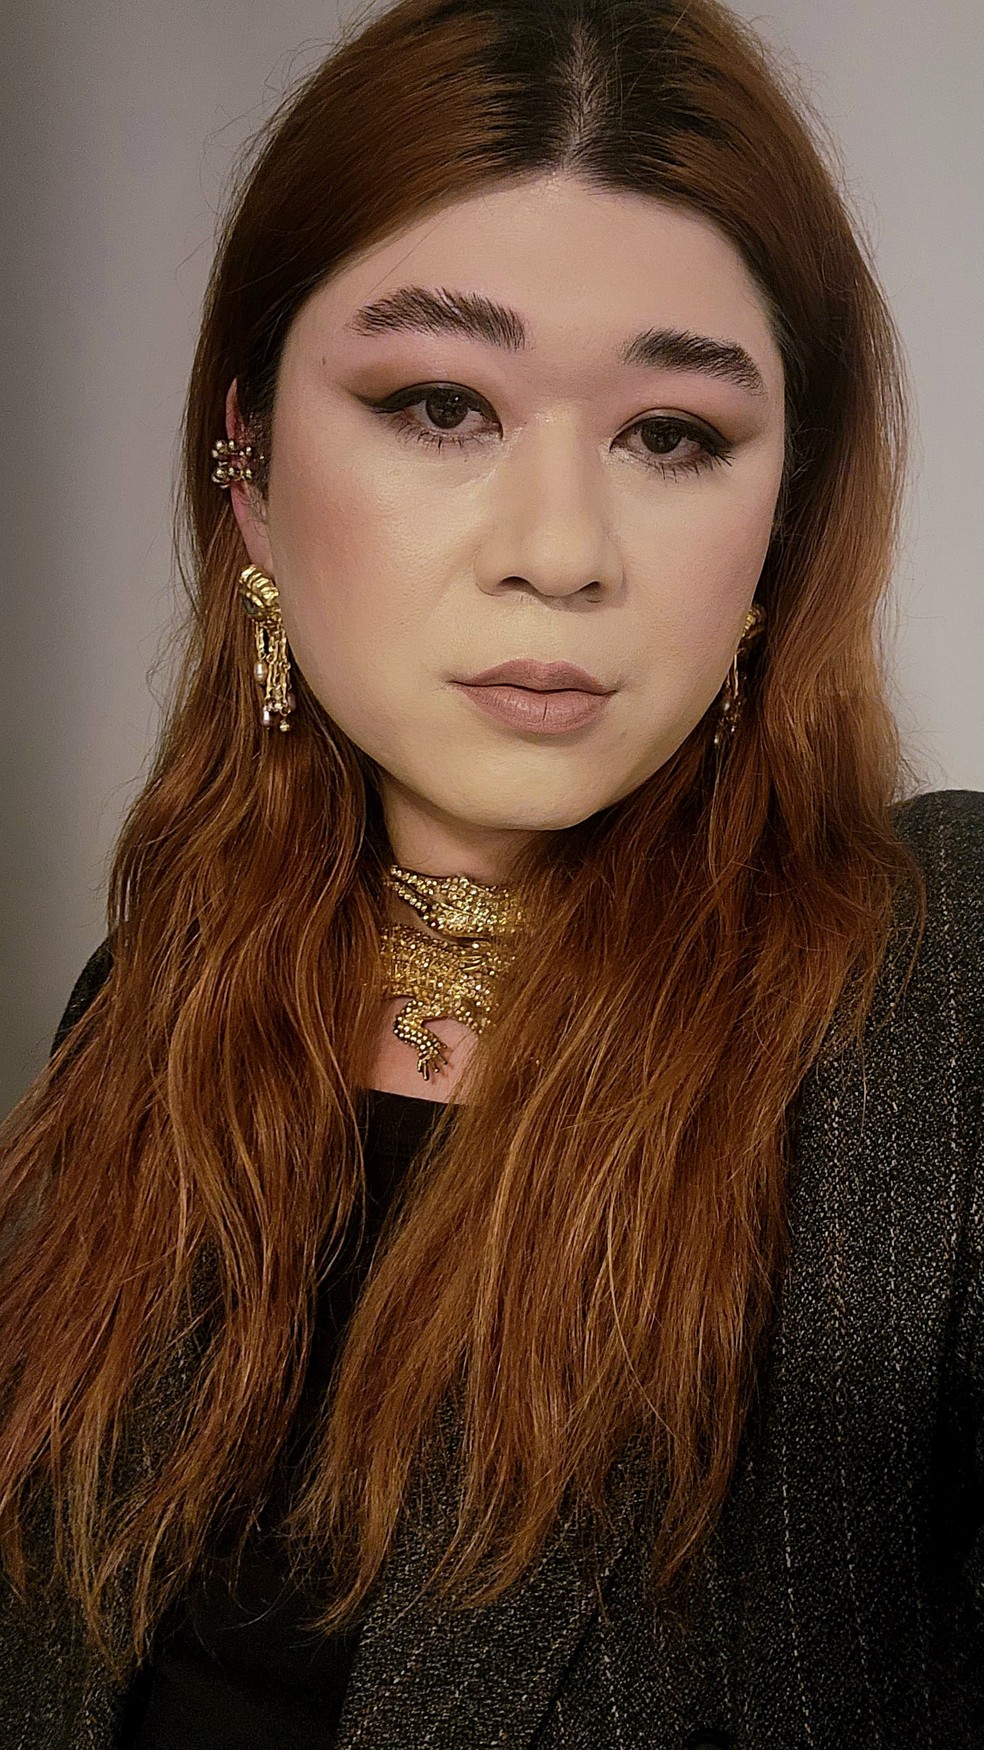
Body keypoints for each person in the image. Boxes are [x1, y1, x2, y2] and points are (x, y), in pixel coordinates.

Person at [0, 0, 981, 1742]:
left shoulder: (944, 989)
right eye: (442, 404)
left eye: (672, 434)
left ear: (785, 514)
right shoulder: (140, 1011)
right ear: (247, 470)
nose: (561, 551)